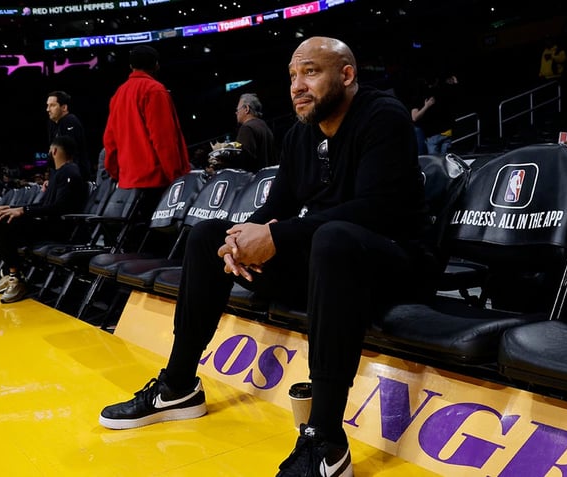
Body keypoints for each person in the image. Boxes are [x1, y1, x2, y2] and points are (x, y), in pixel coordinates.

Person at [98, 36, 437, 477]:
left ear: (347, 75)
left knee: (332, 238)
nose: (297, 85)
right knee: (206, 236)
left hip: (395, 263)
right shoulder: (299, 135)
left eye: (310, 72)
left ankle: (326, 441)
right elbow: (273, 212)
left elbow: (377, 209)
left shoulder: (382, 116)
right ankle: (177, 387)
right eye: (293, 76)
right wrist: (239, 239)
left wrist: (280, 237)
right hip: (327, 270)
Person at [0, 135, 88, 303]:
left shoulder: (70, 172)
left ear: (54, 151)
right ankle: (11, 273)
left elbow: (60, 208)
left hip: (58, 228)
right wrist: (8, 207)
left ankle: (17, 277)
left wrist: (23, 210)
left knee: (0, 222)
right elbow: (43, 204)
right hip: (45, 222)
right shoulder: (58, 174)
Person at [103, 44, 191, 216]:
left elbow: (110, 141)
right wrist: (177, 177)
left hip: (128, 182)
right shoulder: (155, 90)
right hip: (155, 182)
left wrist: (116, 173)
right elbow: (164, 139)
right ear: (156, 65)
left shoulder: (119, 93)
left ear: (131, 66)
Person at [411, 73, 460, 155]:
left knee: (439, 161)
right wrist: (426, 106)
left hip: (443, 134)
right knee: (438, 160)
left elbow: (455, 97)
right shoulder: (420, 98)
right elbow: (415, 118)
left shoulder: (441, 93)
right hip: (433, 135)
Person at [46, 91, 91, 180]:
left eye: (52, 105)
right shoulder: (52, 124)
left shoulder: (70, 121)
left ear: (64, 107)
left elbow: (71, 156)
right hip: (59, 177)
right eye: (48, 105)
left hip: (72, 178)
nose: (48, 109)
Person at [233, 93, 278, 171]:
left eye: (237, 110)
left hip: (254, 180)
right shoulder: (265, 127)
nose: (236, 113)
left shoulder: (246, 128)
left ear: (246, 109)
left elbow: (243, 161)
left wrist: (223, 161)